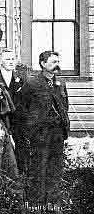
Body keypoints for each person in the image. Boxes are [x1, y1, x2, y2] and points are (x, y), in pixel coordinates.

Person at [15, 51, 69, 205]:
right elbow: (21, 108)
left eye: (57, 61)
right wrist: (30, 129)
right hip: (40, 132)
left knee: (55, 167)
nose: (56, 64)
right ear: (43, 64)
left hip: (57, 132)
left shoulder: (61, 84)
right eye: (52, 62)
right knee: (39, 167)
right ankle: (35, 202)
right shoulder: (32, 83)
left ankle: (52, 202)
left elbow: (65, 106)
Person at [0, 49, 26, 173]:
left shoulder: (20, 79)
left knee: (20, 149)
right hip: (2, 118)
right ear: (1, 61)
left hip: (18, 120)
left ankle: (20, 176)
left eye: (13, 59)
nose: (11, 62)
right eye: (7, 59)